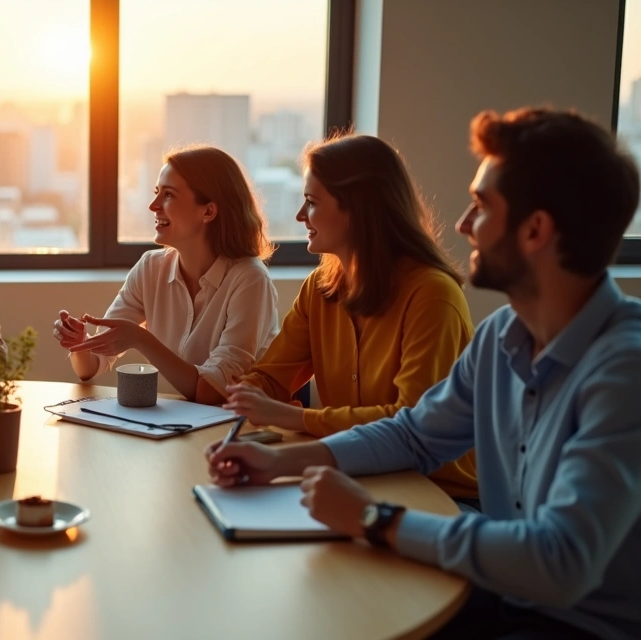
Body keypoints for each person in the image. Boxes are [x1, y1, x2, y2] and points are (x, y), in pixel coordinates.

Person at [206, 108, 641, 639]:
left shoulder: (624, 370)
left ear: (535, 230)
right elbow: (414, 434)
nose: (463, 224)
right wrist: (279, 462)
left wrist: (375, 518)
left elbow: (560, 563)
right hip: (499, 589)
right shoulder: (501, 336)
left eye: (482, 206)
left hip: (578, 624)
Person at [223, 134, 478, 501]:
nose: (300, 215)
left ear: (358, 209)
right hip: (354, 476)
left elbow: (408, 422)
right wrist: (248, 394)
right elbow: (271, 377)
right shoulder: (320, 288)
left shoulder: (432, 295)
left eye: (312, 202)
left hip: (439, 494)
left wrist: (293, 417)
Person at [54, 145, 279, 404]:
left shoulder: (250, 280)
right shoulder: (151, 267)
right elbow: (91, 367)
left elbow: (214, 392)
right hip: (179, 420)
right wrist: (80, 344)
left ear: (208, 211)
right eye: (156, 193)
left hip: (241, 423)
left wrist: (141, 339)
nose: (153, 205)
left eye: (169, 195)